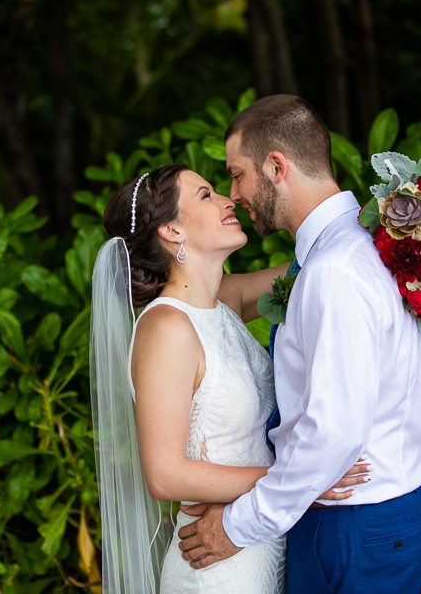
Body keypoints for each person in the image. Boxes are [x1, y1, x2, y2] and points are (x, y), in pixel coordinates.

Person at [176, 95, 421, 593]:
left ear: (277, 166)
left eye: (236, 174)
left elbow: (333, 433)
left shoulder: (333, 271)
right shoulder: (366, 246)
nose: (235, 194)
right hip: (371, 519)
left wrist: (236, 526)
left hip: (353, 529)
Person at [90, 163, 371, 593]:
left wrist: (390, 216)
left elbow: (321, 263)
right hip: (213, 566)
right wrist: (303, 477)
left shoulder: (224, 301)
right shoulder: (166, 329)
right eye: (205, 195)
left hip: (260, 541)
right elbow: (163, 474)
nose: (228, 200)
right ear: (171, 231)